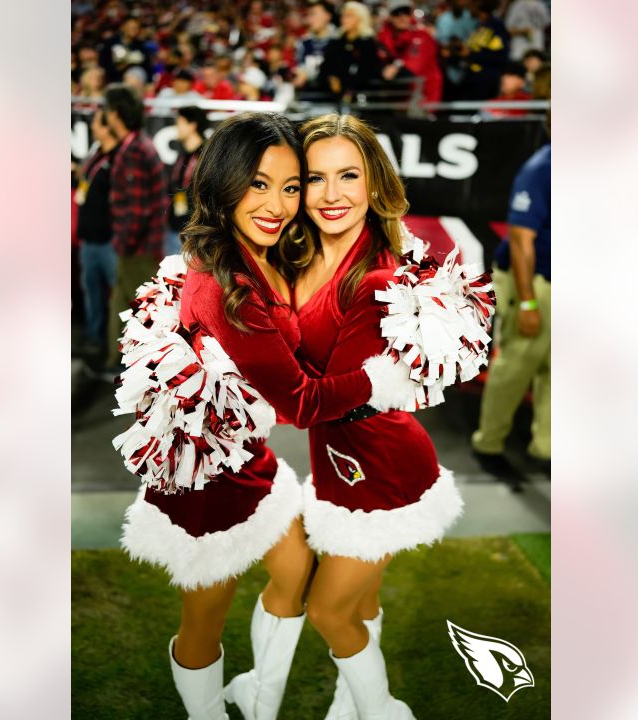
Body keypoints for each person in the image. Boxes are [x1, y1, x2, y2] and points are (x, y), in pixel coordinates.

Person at [116, 112, 415, 720]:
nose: (277, 204)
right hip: (206, 480)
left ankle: (258, 696)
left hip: (251, 457)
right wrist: (381, 380)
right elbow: (300, 401)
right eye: (258, 184)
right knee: (204, 620)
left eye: (288, 185)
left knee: (296, 573)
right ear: (223, 182)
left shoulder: (263, 251)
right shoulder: (227, 285)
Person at [294, 113, 469, 719]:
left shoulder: (376, 278)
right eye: (316, 178)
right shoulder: (306, 255)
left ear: (374, 183)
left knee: (327, 610)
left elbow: (323, 393)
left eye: (349, 175)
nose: (332, 194)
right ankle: (353, 702)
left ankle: (381, 711)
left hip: (381, 463)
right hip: (338, 458)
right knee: (361, 605)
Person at [472, 139, 551, 480]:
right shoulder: (542, 168)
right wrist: (529, 302)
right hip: (533, 280)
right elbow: (521, 243)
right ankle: (488, 444)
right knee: (517, 363)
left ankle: (546, 449)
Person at [102, 84, 170, 372]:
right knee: (125, 306)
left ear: (115, 114)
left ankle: (144, 371)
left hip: (138, 250)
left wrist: (123, 245)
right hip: (139, 247)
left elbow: (139, 210)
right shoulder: (138, 144)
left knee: (143, 314)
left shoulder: (134, 150)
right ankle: (117, 364)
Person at [74, 111, 120, 361]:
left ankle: (119, 346)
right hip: (89, 240)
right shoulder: (96, 153)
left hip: (109, 242)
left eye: (96, 122)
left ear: (106, 127)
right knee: (91, 291)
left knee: (117, 295)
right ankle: (95, 337)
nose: (92, 125)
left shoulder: (117, 158)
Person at [377, 0, 443, 105]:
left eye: (406, 12)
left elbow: (413, 68)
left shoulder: (422, 36)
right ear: (390, 16)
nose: (402, 17)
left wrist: (395, 67)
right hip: (397, 99)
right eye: (397, 13)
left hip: (423, 98)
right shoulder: (384, 36)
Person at [321, 1, 386, 103]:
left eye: (349, 16)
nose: (344, 19)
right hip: (334, 98)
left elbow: (368, 71)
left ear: (360, 18)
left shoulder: (369, 43)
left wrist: (345, 83)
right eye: (343, 16)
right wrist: (331, 78)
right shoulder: (335, 42)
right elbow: (325, 68)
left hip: (363, 97)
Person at [164, 106, 208, 256]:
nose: (176, 127)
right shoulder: (183, 154)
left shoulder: (206, 155)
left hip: (194, 234)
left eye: (180, 123)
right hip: (176, 228)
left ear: (192, 125)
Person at [461, 0, 510, 100]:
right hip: (471, 78)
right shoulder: (478, 25)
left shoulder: (496, 26)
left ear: (479, 6)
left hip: (486, 80)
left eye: (471, 5)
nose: (469, 9)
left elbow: (499, 55)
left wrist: (470, 54)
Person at [294, 1, 338, 93]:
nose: (310, 20)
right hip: (308, 94)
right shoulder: (303, 42)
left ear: (327, 16)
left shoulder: (339, 41)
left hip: (333, 95)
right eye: (309, 15)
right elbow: (300, 67)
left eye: (314, 14)